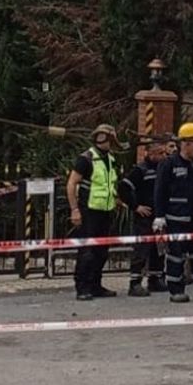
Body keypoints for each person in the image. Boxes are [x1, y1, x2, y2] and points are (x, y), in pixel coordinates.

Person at [153, 122, 193, 303]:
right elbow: (159, 191)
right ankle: (176, 290)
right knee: (176, 255)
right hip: (176, 218)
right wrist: (159, 216)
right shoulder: (168, 164)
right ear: (186, 143)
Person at [68, 124, 123, 301]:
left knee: (101, 251)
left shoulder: (110, 159)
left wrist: (116, 198)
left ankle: (96, 285)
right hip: (89, 211)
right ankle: (82, 287)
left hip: (105, 211)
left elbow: (109, 183)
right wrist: (75, 209)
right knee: (87, 251)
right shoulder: (86, 158)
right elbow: (71, 184)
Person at [118, 135, 169, 296]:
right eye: (159, 153)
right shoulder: (141, 170)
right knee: (141, 249)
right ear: (149, 153)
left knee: (158, 248)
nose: (163, 156)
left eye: (164, 153)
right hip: (144, 217)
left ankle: (155, 279)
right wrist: (135, 206)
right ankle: (135, 283)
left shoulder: (163, 169)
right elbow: (123, 188)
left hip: (159, 216)